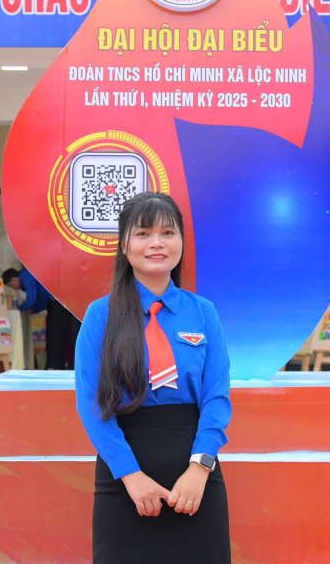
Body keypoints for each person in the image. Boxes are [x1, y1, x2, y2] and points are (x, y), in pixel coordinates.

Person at [74, 192, 231, 564]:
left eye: (168, 233)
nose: (157, 243)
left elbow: (216, 397)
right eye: (143, 233)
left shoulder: (203, 312)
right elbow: (92, 402)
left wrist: (199, 468)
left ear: (181, 242)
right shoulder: (100, 315)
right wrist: (131, 476)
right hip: (124, 476)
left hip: (196, 474)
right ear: (124, 245)